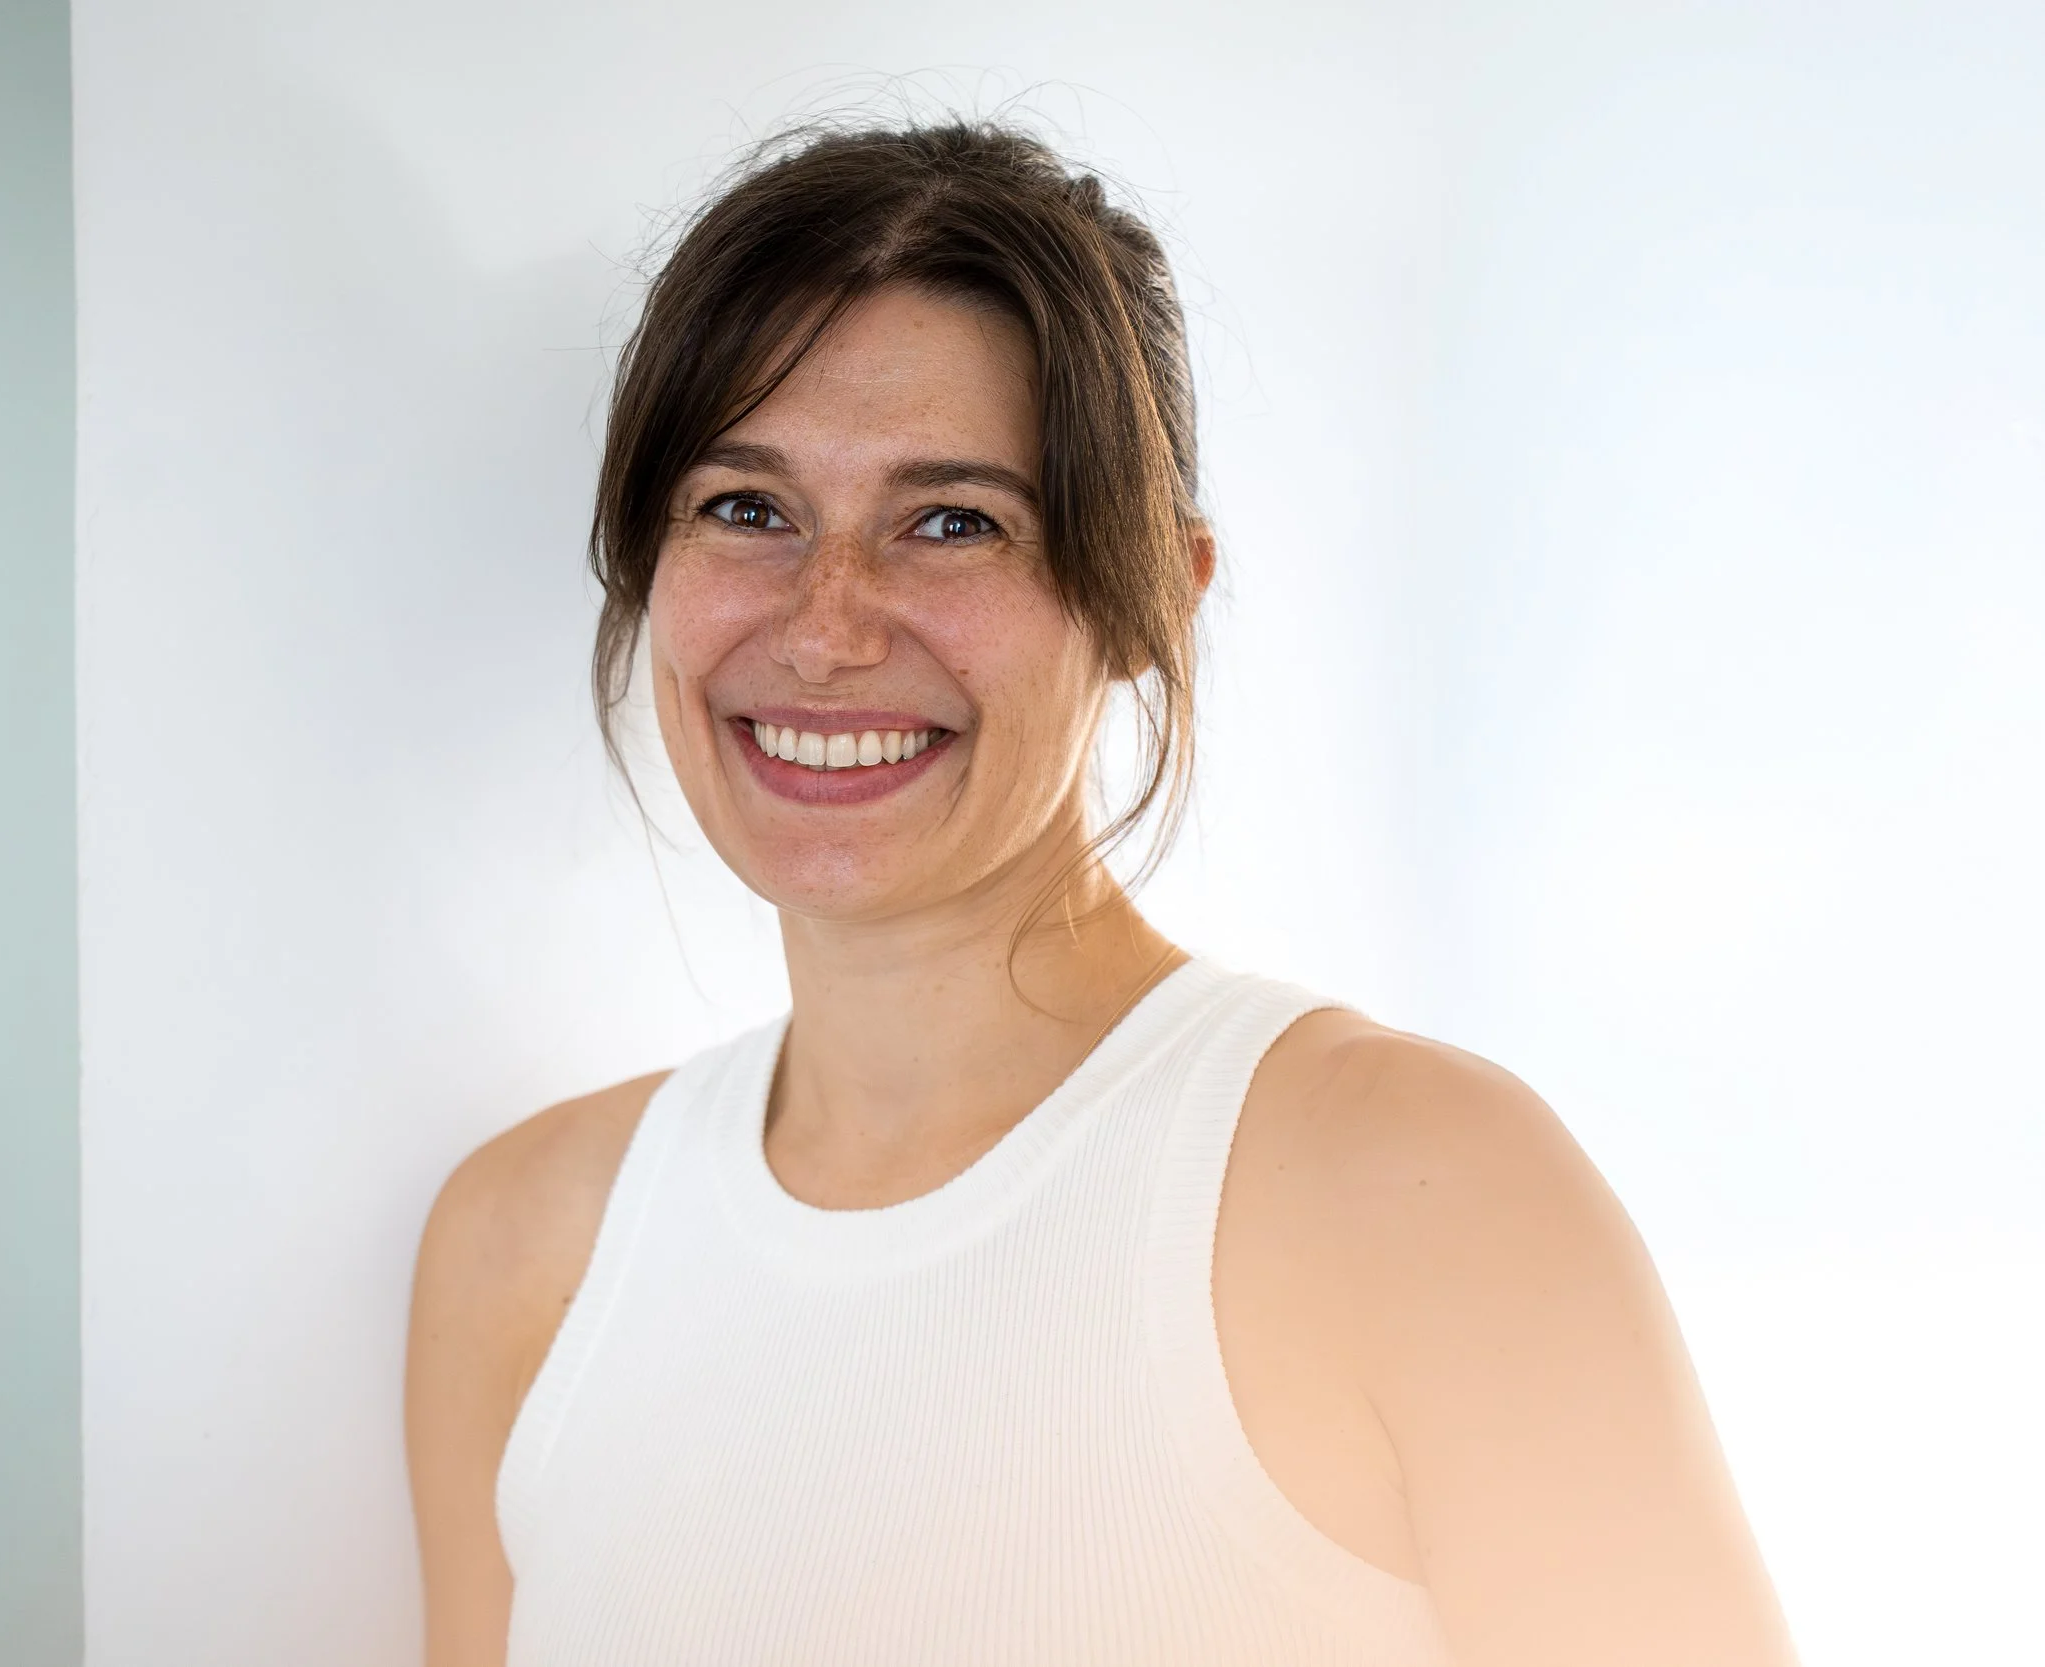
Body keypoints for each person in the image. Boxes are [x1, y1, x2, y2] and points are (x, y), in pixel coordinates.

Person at [405, 121, 1795, 1667]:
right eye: (747, 506)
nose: (826, 626)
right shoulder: (523, 1248)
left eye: (954, 522)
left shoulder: (1418, 1188)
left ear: (1155, 599)